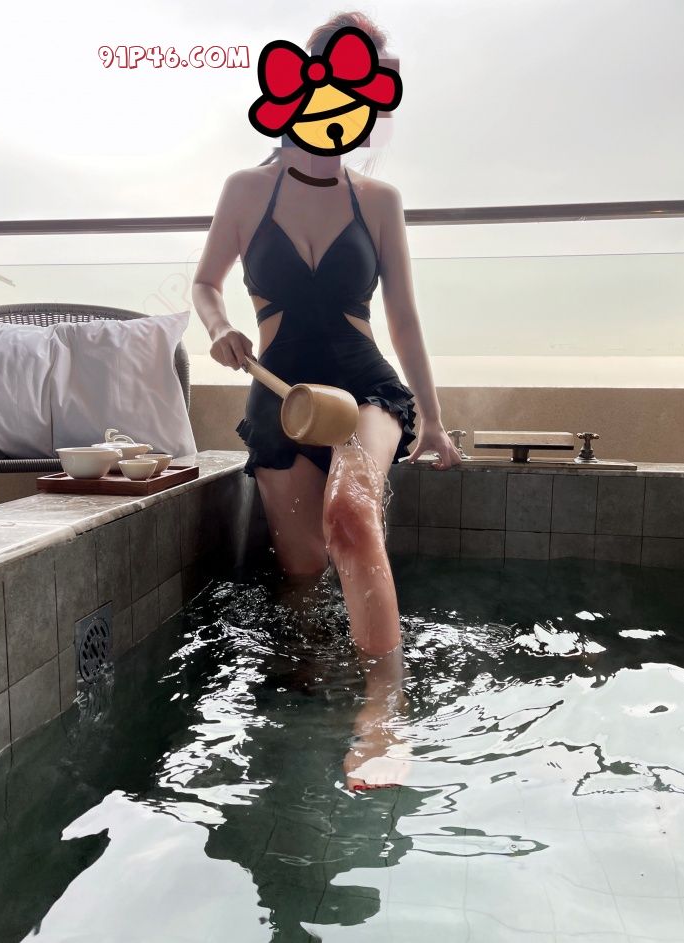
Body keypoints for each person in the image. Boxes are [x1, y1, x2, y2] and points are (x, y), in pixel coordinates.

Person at [193, 12, 463, 662]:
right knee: (304, 574)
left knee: (351, 511)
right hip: (280, 397)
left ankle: (385, 702)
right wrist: (221, 327)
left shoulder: (379, 199)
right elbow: (204, 283)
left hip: (365, 387)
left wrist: (431, 419)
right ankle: (313, 696)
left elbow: (403, 317)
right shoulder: (246, 190)